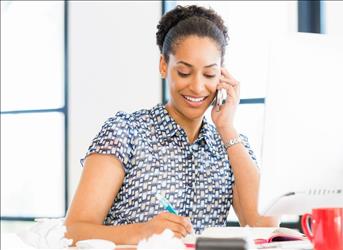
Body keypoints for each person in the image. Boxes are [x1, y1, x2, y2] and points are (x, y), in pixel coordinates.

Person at [65, 4, 278, 245]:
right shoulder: (126, 132)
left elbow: (266, 227)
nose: (197, 87)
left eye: (209, 74)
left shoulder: (230, 145)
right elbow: (73, 231)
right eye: (185, 72)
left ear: (222, 75)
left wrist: (226, 127)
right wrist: (143, 233)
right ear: (164, 66)